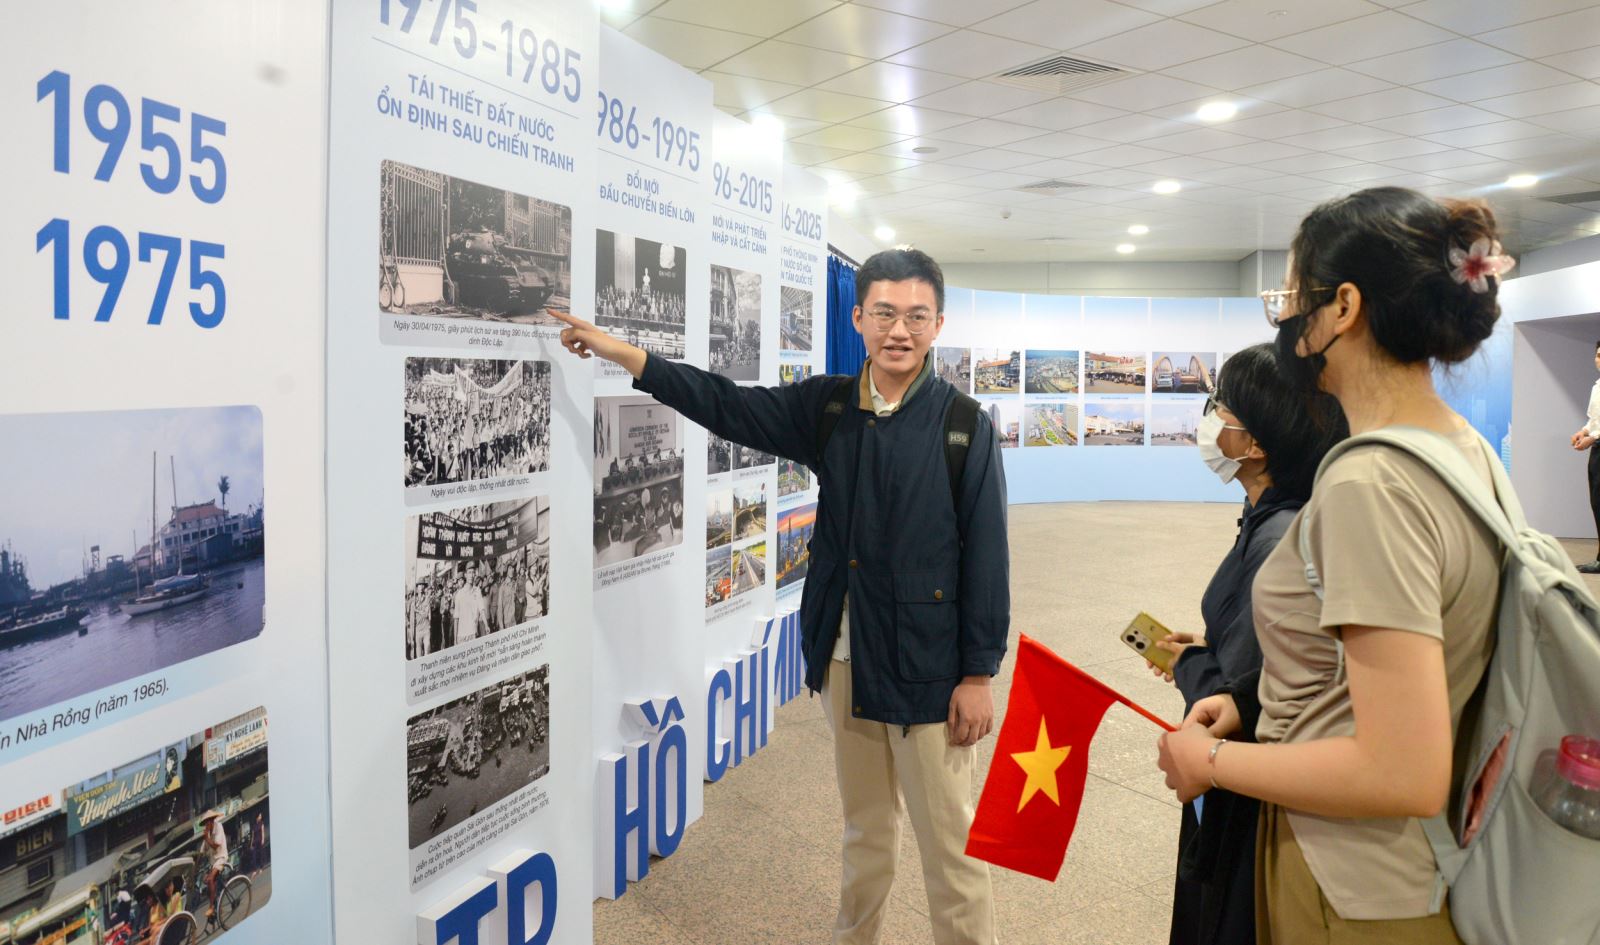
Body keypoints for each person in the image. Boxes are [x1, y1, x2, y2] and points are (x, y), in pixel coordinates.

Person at [553, 248, 1008, 945]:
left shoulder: (963, 426)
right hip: (846, 655)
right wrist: (630, 357)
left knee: (950, 849)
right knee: (865, 834)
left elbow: (988, 555)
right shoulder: (827, 406)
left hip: (930, 668)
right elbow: (729, 405)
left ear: (938, 323)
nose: (900, 330)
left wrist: (978, 673)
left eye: (917, 316)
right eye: (884, 312)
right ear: (858, 317)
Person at [1156, 187, 1516, 943]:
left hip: (1353, 886)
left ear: (1343, 307)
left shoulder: (1369, 483)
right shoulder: (1463, 450)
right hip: (1419, 869)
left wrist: (1214, 760)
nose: (1284, 323)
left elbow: (1399, 772)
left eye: (1291, 299)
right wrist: (1252, 708)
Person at [1151, 344, 1347, 945]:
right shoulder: (1269, 518)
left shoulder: (1279, 541)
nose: (1209, 419)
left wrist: (1192, 664)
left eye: (1220, 407)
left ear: (1254, 444)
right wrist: (1211, 642)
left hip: (1243, 789)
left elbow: (1242, 697)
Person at [1570, 340, 1600, 573]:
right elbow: (1594, 420)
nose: (1599, 360)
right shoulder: (1597, 386)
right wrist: (1584, 431)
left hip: (1598, 444)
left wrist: (1595, 437)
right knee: (1597, 503)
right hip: (1597, 451)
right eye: (1598, 355)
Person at [200, 810, 228, 919]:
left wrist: (207, 838)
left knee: (211, 879)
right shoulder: (207, 834)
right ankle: (218, 907)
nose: (207, 825)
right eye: (206, 823)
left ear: (212, 821)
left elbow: (216, 846)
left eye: (208, 823)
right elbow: (202, 851)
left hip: (221, 858)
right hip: (213, 863)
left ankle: (211, 907)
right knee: (206, 881)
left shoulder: (219, 827)